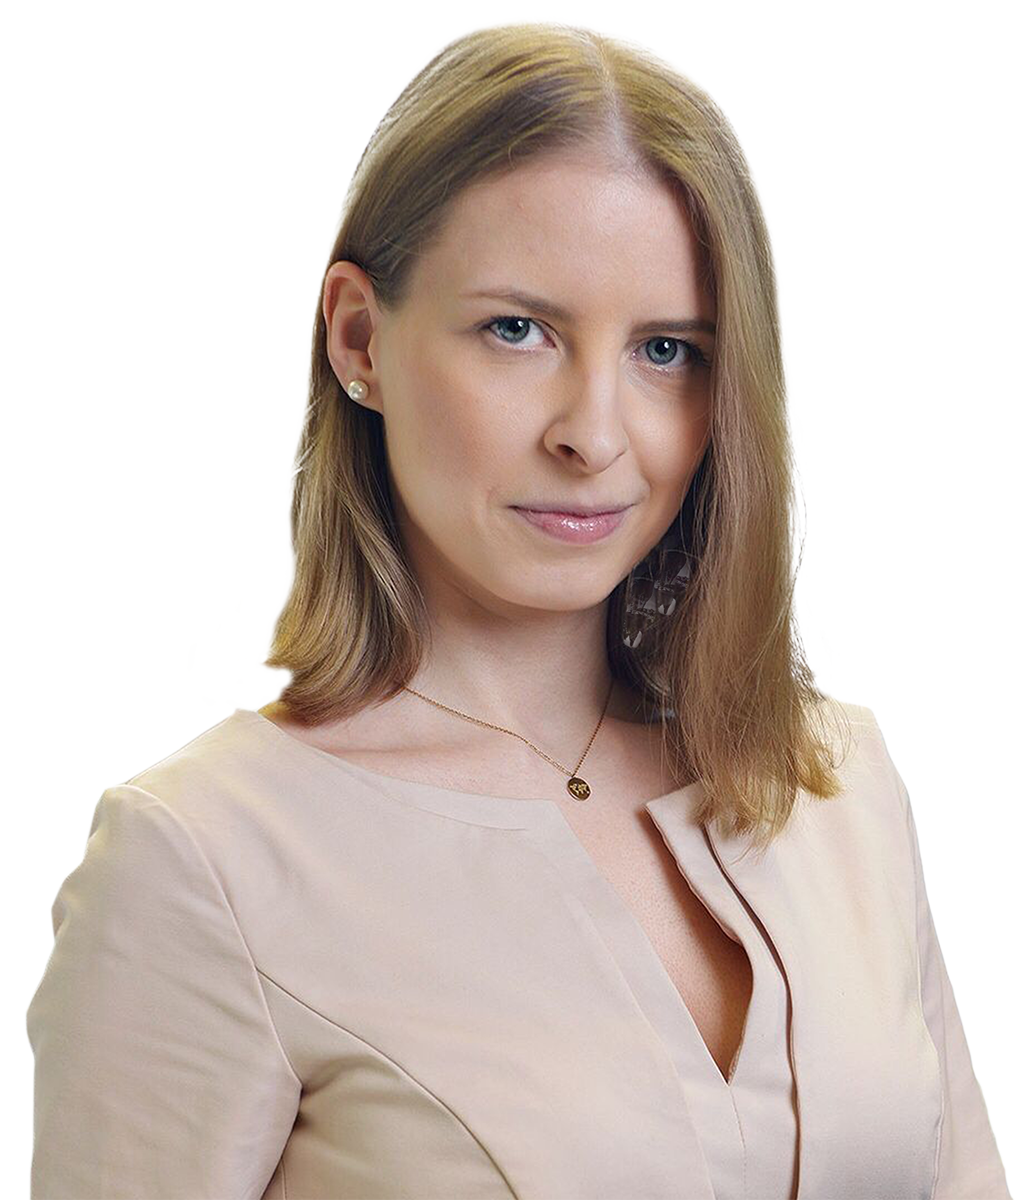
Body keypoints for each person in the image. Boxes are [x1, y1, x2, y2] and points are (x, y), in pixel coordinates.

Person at [25, 19, 1012, 1200]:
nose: (593, 434)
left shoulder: (838, 786)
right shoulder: (202, 861)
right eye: (517, 330)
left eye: (665, 350)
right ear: (358, 339)